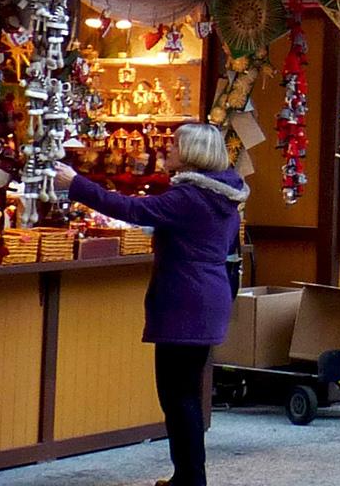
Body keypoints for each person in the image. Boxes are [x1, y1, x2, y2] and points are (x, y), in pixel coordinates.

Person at [54, 124, 247, 486]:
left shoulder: (189, 198)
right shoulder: (224, 197)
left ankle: (191, 478)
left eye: (175, 144)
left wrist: (76, 183)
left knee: (178, 397)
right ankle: (188, 475)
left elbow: (130, 208)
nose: (168, 149)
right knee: (185, 393)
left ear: (192, 153)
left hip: (184, 301)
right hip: (207, 296)